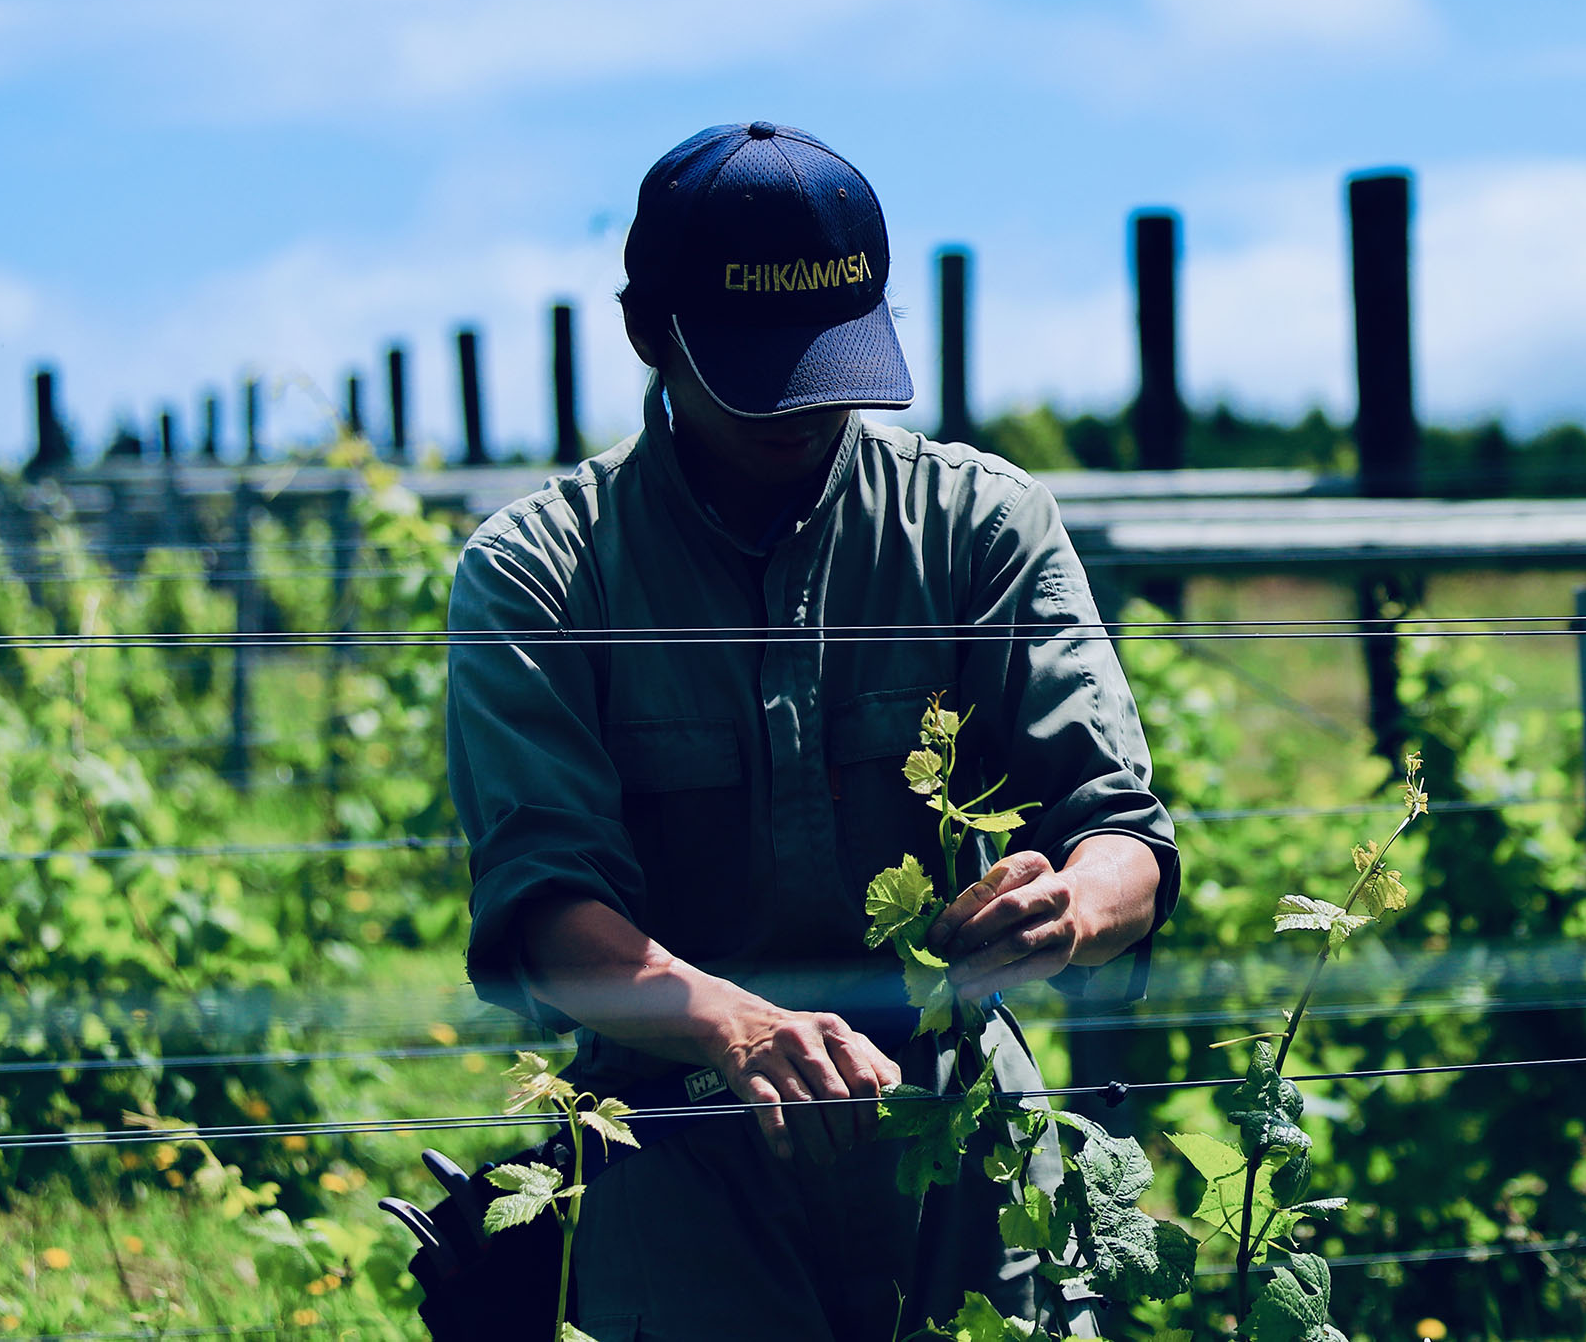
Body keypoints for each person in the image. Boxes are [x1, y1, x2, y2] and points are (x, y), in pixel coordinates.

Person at [443, 121, 1177, 1340]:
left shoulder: (979, 524)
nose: (799, 404)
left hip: (956, 1126)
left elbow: (1123, 834)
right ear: (650, 334)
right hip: (670, 1131)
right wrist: (736, 1025)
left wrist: (1075, 902)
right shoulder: (541, 572)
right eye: (753, 362)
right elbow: (544, 909)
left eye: (828, 358)